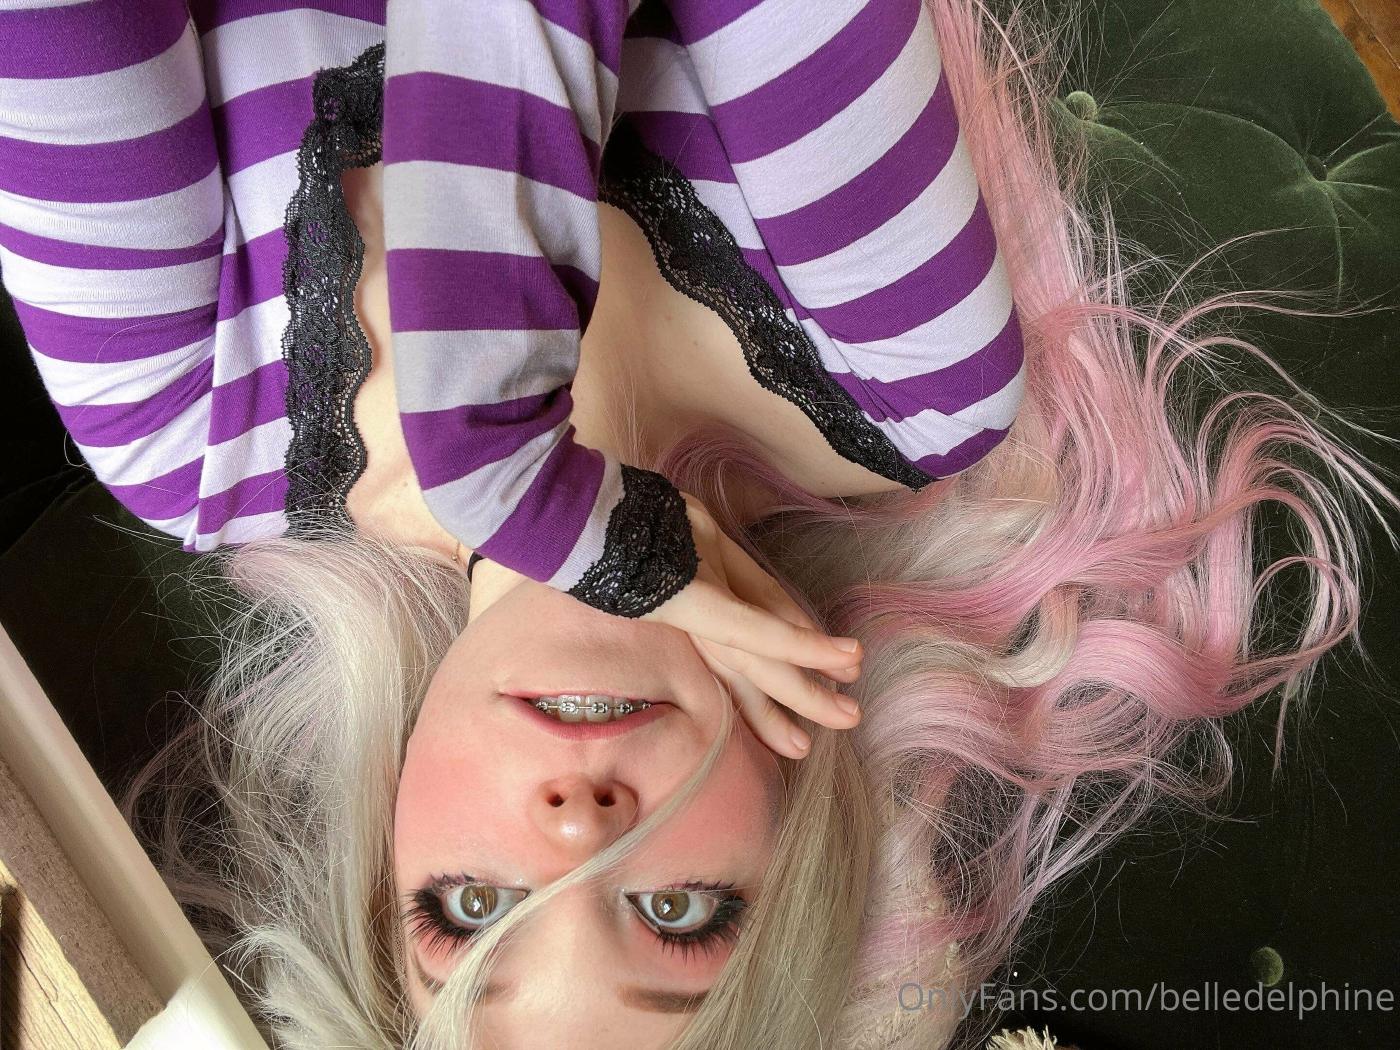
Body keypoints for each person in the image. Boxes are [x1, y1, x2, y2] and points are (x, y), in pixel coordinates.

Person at [2, 1, 1391, 1048]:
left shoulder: (183, 425)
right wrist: (500, 456)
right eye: (675, 915)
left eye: (469, 912)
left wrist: (529, 468)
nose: (575, 831)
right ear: (807, 853)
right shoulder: (914, 375)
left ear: (378, 856)